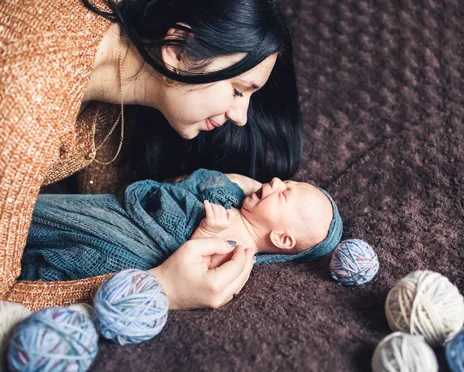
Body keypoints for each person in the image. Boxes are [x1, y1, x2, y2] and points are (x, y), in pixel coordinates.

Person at [0, 0, 303, 311]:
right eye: (238, 90)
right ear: (178, 49)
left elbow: (106, 203)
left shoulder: (122, 69)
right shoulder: (29, 99)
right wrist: (158, 288)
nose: (242, 116)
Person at [20, 171, 343, 309]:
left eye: (284, 192)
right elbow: (193, 182)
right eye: (285, 181)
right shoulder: (231, 198)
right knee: (48, 215)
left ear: (282, 239)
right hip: (126, 218)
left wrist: (207, 231)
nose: (273, 181)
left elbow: (197, 261)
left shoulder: (241, 254)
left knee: (67, 248)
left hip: (138, 250)